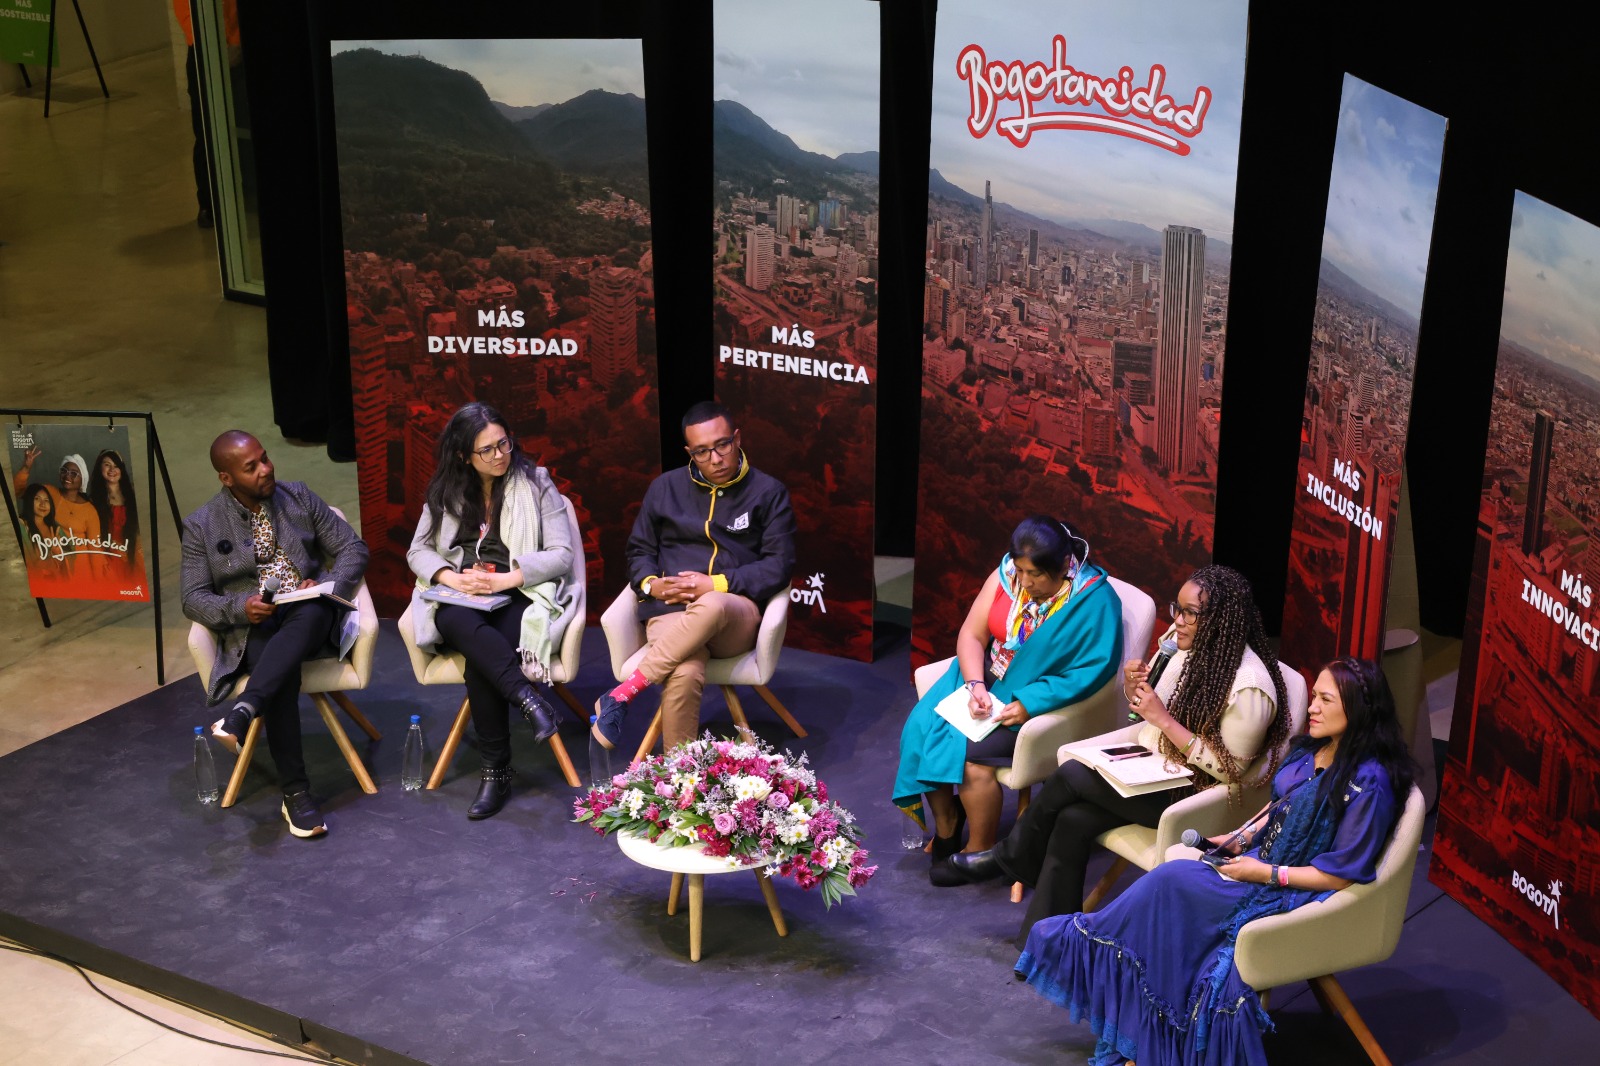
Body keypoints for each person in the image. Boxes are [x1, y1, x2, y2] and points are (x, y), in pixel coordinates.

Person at [1014, 657, 1415, 1066]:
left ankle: (1137, 1010)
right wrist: (1243, 836)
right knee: (1169, 885)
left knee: (1170, 885)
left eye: (1325, 700)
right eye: (1314, 696)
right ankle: (1141, 1019)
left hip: (1291, 890)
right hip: (1260, 865)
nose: (1312, 708)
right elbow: (1281, 806)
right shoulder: (1314, 748)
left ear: (1359, 708)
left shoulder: (1369, 783)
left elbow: (1340, 875)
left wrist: (1267, 872)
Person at [941, 564, 1291, 943]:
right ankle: (1045, 943)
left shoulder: (1250, 687)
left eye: (1190, 613)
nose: (1177, 621)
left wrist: (1163, 720)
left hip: (1195, 796)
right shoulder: (1182, 643)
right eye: (1177, 608)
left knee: (1072, 775)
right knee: (1073, 819)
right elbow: (1147, 706)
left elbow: (1230, 769)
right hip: (1156, 767)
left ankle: (1010, 856)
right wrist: (1132, 686)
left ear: (1222, 620)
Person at [893, 516, 1123, 866]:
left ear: (1064, 564)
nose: (1025, 582)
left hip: (1036, 698)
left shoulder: (1095, 601)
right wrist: (975, 685)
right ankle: (948, 823)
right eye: (1021, 570)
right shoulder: (1006, 575)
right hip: (985, 678)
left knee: (968, 755)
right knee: (921, 730)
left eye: (1036, 574)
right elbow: (973, 635)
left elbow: (1092, 672)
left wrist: (1030, 703)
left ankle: (980, 851)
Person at [181, 430, 369, 839]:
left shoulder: (298, 496)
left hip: (310, 616)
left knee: (311, 611)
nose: (266, 470)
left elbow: (353, 548)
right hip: (256, 627)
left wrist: (328, 584)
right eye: (251, 467)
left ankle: (246, 711)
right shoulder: (201, 525)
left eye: (265, 458)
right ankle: (296, 793)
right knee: (277, 670)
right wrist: (240, 607)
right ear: (226, 478)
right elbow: (193, 598)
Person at [590, 401, 796, 753]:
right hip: (670, 611)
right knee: (683, 672)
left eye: (722, 445)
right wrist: (651, 584)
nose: (715, 459)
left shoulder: (768, 492)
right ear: (689, 452)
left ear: (737, 438)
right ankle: (679, 775)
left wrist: (715, 584)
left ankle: (622, 694)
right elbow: (639, 550)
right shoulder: (664, 487)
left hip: (733, 616)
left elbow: (779, 565)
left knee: (712, 603)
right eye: (702, 452)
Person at [406, 402, 578, 820]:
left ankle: (495, 771)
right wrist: (450, 577)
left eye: (504, 444)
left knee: (482, 660)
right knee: (454, 617)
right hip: (463, 596)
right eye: (487, 450)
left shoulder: (535, 481)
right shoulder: (445, 490)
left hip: (519, 592)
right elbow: (417, 551)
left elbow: (562, 554)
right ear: (464, 455)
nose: (500, 455)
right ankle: (527, 698)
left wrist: (507, 579)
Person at [13, 448, 103, 575]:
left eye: (74, 473)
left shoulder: (90, 511)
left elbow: (95, 551)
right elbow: (17, 492)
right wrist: (26, 467)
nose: (67, 475)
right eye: (64, 470)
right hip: (51, 568)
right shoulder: (47, 493)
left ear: (83, 479)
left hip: (79, 572)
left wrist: (99, 582)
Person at [88, 448, 145, 581]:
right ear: (100, 468)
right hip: (108, 558)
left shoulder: (134, 495)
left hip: (134, 555)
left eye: (116, 465)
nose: (112, 469)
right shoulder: (93, 500)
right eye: (107, 465)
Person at [19, 483, 69, 591]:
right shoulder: (22, 526)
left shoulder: (55, 527)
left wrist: (59, 554)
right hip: (38, 587)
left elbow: (71, 556)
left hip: (59, 586)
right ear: (29, 500)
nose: (43, 504)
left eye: (46, 500)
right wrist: (52, 555)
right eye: (37, 499)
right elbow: (29, 564)